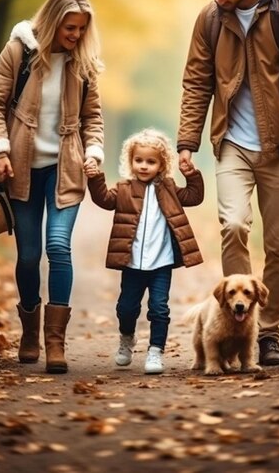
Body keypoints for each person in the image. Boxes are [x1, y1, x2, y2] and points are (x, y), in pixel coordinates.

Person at [177, 0, 279, 366]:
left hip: (278, 145)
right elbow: (195, 81)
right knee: (234, 224)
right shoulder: (210, 19)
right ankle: (233, 329)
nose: (219, 0)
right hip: (232, 145)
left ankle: (268, 332)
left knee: (278, 243)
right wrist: (187, 141)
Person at [0, 0, 105, 374]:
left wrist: (94, 151)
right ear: (53, 22)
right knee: (30, 254)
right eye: (70, 27)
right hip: (20, 168)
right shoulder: (18, 52)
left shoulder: (82, 63)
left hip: (65, 169)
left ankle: (56, 343)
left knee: (58, 247)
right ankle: (30, 333)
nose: (76, 35)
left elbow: (93, 118)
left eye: (82, 29)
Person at [84, 128, 204, 374]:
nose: (144, 166)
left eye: (151, 162)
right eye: (139, 160)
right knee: (126, 308)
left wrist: (193, 176)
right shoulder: (124, 188)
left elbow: (194, 196)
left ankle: (155, 352)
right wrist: (95, 179)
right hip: (132, 262)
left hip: (161, 263)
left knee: (159, 308)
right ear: (131, 161)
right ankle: (127, 339)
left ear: (161, 165)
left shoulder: (169, 188)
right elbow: (104, 200)